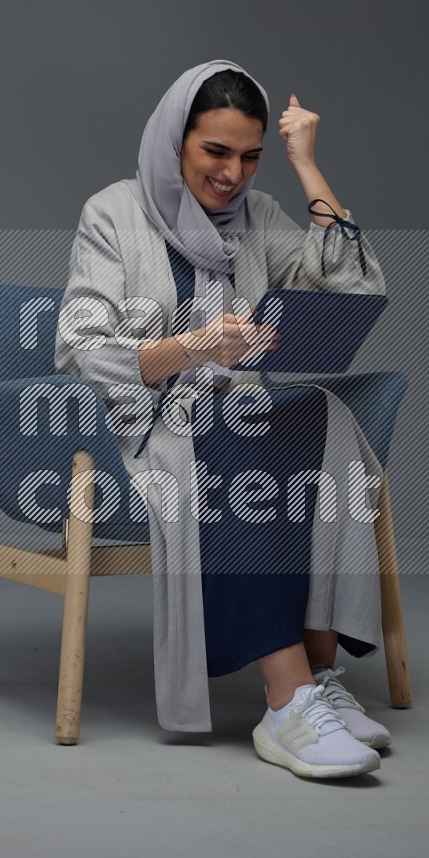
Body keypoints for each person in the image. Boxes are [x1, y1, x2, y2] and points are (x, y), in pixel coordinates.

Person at [55, 60, 391, 780]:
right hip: (140, 434)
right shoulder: (112, 213)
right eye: (215, 151)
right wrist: (191, 348)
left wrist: (306, 167)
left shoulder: (257, 218)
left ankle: (321, 671)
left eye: (251, 156)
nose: (232, 173)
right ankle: (287, 700)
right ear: (175, 140)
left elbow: (354, 285)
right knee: (233, 440)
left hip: (227, 416)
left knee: (323, 418)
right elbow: (80, 352)